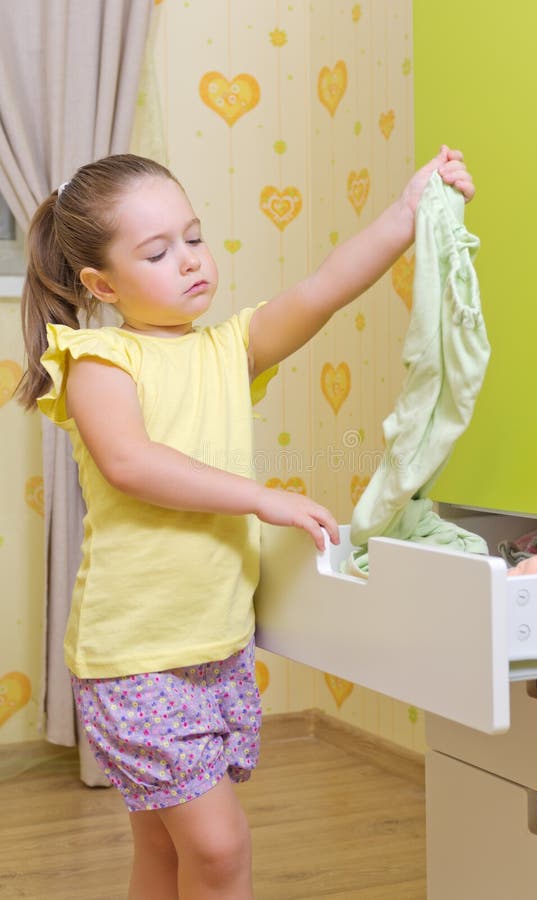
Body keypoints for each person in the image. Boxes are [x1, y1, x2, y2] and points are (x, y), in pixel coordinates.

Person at [17, 147, 474, 900]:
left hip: (215, 644)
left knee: (164, 849)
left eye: (194, 237)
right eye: (158, 252)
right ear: (101, 285)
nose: (190, 259)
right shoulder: (99, 359)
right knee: (220, 851)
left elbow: (323, 289)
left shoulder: (229, 349)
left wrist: (407, 212)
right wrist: (261, 498)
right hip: (136, 656)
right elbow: (131, 462)